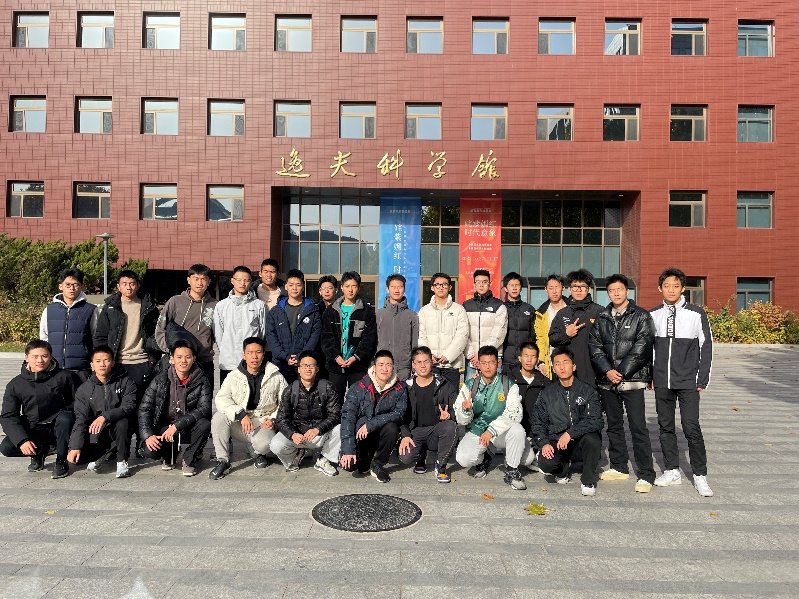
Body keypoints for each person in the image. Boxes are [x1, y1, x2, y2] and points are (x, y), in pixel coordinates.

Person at [588, 274, 656, 493]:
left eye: (619, 289)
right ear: (607, 293)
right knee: (614, 425)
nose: (616, 293)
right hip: (608, 382)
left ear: (627, 291)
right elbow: (595, 347)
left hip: (632, 381)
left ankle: (646, 474)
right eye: (611, 290)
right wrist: (607, 371)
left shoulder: (641, 316)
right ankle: (619, 466)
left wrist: (621, 372)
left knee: (638, 427)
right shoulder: (602, 317)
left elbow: (642, 347)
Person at [650, 267, 714, 497]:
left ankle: (700, 475)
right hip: (662, 381)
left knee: (691, 427)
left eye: (676, 286)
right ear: (660, 288)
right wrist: (650, 376)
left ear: (683, 288)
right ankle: (672, 470)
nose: (671, 290)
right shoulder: (653, 315)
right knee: (665, 427)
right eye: (666, 286)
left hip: (688, 381)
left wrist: (702, 378)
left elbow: (706, 346)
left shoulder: (696, 314)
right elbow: (649, 349)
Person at [454, 345, 535, 491]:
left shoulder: (509, 385)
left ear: (498, 363)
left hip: (501, 432)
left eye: (491, 362)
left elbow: (515, 414)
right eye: (484, 363)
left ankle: (512, 470)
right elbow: (461, 420)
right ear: (478, 364)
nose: (487, 367)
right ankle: (485, 457)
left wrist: (492, 430)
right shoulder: (470, 385)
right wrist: (466, 411)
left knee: (526, 455)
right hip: (478, 430)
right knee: (463, 458)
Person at [208, 337, 287, 479]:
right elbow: (221, 399)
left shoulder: (276, 375)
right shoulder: (234, 376)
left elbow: (285, 403)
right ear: (244, 355)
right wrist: (239, 414)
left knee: (264, 444)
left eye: (258, 352)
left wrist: (273, 419)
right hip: (240, 422)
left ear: (264, 354)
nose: (254, 356)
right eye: (250, 352)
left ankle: (259, 453)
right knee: (219, 418)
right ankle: (223, 460)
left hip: (263, 423)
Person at [0, 340, 79, 479]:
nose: (40, 360)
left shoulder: (65, 376)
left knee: (66, 418)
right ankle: (40, 451)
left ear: (51, 356)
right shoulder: (16, 384)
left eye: (44, 356)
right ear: (26, 358)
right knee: (7, 447)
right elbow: (8, 416)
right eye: (35, 356)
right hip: (34, 426)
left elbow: (79, 402)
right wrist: (22, 440)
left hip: (59, 426)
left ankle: (61, 460)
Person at [532, 346, 604, 496]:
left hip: (580, 442)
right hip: (557, 442)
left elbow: (596, 420)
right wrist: (544, 443)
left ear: (574, 366)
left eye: (566, 362)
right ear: (553, 369)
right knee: (546, 463)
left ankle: (588, 480)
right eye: (557, 364)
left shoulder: (588, 391)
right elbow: (538, 422)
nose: (562, 367)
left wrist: (570, 433)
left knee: (593, 439)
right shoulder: (547, 394)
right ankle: (562, 470)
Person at [139, 340, 212, 477]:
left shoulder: (202, 380)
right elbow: (145, 408)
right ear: (171, 359)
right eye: (179, 357)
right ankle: (169, 455)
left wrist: (177, 425)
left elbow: (205, 409)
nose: (183, 361)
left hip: (188, 426)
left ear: (194, 359)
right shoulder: (160, 379)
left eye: (187, 357)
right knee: (150, 450)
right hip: (165, 427)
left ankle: (189, 459)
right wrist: (147, 435)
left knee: (205, 424)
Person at [67, 346, 137, 478]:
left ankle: (122, 462)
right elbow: (81, 419)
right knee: (79, 459)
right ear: (92, 365)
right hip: (97, 432)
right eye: (98, 361)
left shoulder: (125, 381)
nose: (102, 364)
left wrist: (105, 416)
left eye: (106, 360)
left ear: (113, 362)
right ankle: (106, 453)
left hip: (119, 428)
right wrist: (75, 447)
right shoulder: (84, 389)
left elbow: (129, 406)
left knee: (123, 422)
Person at [340, 350, 407, 483]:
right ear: (374, 367)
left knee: (392, 428)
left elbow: (399, 413)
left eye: (388, 365)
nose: (385, 368)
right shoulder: (358, 387)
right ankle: (364, 458)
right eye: (381, 364)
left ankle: (378, 464)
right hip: (361, 434)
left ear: (393, 367)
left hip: (382, 432)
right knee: (349, 466)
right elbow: (348, 417)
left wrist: (371, 424)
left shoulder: (399, 388)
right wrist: (348, 449)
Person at [270, 350, 341, 477]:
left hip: (319, 434)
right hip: (298, 435)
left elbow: (335, 414)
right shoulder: (290, 390)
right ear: (298, 369)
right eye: (304, 365)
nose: (308, 368)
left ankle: (323, 460)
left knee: (340, 429)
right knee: (275, 445)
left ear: (317, 369)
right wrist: (292, 434)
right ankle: (295, 457)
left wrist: (318, 429)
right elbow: (281, 419)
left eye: (311, 365)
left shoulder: (327, 387)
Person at [93, 269, 160, 402]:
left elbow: (156, 335)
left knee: (141, 402)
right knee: (116, 401)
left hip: (141, 362)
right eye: (124, 284)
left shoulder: (149, 307)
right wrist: (102, 360)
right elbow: (101, 336)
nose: (128, 287)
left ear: (138, 285)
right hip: (116, 362)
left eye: (132, 283)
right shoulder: (110, 307)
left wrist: (152, 359)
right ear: (118, 286)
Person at [398, 346, 458, 483]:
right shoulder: (405, 387)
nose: (423, 366)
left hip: (436, 431)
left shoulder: (444, 384)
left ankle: (441, 466)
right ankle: (420, 457)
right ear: (413, 364)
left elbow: (456, 409)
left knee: (450, 426)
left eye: (426, 361)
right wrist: (405, 435)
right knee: (405, 457)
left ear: (432, 362)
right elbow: (400, 415)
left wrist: (449, 415)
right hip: (415, 432)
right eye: (418, 362)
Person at [155, 264, 218, 385]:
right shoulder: (175, 302)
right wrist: (172, 350)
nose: (199, 283)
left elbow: (219, 333)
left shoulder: (215, 305)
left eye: (203, 279)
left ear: (209, 281)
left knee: (204, 396)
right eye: (196, 278)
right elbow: (160, 329)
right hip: (179, 361)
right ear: (188, 280)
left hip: (204, 361)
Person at [320, 271, 377, 400]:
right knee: (334, 401)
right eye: (347, 286)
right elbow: (326, 338)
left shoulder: (367, 311)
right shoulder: (331, 311)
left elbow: (369, 338)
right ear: (341, 287)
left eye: (354, 286)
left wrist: (356, 357)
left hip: (357, 366)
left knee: (358, 400)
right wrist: (336, 356)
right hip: (335, 366)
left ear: (359, 288)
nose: (350, 290)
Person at [266, 269, 321, 383]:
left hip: (305, 364)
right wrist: (285, 356)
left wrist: (301, 356)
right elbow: (271, 337)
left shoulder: (313, 311)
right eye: (291, 285)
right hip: (280, 363)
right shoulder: (275, 312)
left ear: (303, 286)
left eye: (298, 285)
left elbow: (315, 336)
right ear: (286, 286)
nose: (294, 288)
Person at [40, 268, 98, 377]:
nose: (72, 288)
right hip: (54, 368)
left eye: (76, 285)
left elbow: (96, 337)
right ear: (60, 286)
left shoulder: (90, 310)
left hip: (81, 369)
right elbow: (44, 337)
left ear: (82, 287)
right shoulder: (49, 309)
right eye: (68, 285)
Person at [549, 269, 602, 388]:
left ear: (589, 289)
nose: (579, 290)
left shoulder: (599, 312)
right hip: (568, 373)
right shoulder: (562, 314)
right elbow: (552, 340)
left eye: (583, 286)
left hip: (593, 372)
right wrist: (566, 335)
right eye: (575, 286)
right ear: (569, 289)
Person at [214, 265, 266, 384]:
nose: (242, 283)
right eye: (239, 280)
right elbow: (219, 334)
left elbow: (262, 333)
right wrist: (226, 350)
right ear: (232, 281)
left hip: (251, 362)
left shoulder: (258, 305)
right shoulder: (222, 306)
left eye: (246, 280)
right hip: (228, 361)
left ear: (250, 282)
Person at [417, 272, 469, 390]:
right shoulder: (424, 311)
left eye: (444, 284)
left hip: (451, 366)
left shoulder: (459, 310)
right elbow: (421, 336)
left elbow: (462, 335)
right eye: (437, 284)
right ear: (432, 287)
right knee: (431, 398)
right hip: (430, 366)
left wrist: (448, 356)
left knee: (451, 398)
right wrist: (429, 356)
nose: (441, 287)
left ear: (450, 287)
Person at [463, 269, 508, 380]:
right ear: (474, 284)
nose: (481, 285)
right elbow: (463, 333)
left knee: (494, 389)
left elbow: (499, 334)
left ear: (490, 283)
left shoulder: (499, 306)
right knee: (471, 388)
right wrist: (471, 355)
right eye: (478, 282)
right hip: (472, 360)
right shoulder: (466, 306)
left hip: (492, 358)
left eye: (484, 282)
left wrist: (482, 355)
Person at [376, 274, 419, 381]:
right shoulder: (378, 315)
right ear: (387, 289)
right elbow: (373, 342)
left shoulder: (412, 316)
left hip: (404, 369)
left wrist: (414, 366)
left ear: (404, 289)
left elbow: (415, 343)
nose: (396, 290)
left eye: (400, 287)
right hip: (382, 368)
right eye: (393, 287)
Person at [507, 342, 550, 438]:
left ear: (537, 360)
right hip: (514, 432)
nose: (529, 360)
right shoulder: (509, 380)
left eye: (533, 356)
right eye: (526, 356)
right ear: (520, 358)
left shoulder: (545, 382)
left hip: (538, 434)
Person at [534, 274, 570, 378]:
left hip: (570, 359)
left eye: (557, 287)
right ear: (546, 289)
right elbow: (540, 339)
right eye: (551, 288)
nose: (554, 291)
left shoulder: (572, 309)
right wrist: (541, 361)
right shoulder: (541, 313)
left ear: (563, 288)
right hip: (550, 362)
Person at [502, 272, 536, 373]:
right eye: (511, 285)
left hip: (524, 361)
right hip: (505, 361)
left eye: (517, 285)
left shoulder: (529, 309)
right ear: (505, 288)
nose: (514, 288)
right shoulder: (501, 308)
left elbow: (534, 335)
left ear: (521, 288)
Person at [315, 275, 338, 380]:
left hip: (336, 354)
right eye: (323, 288)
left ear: (336, 290)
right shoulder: (315, 310)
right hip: (319, 353)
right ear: (320, 291)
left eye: (330, 288)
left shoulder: (341, 309)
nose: (327, 291)